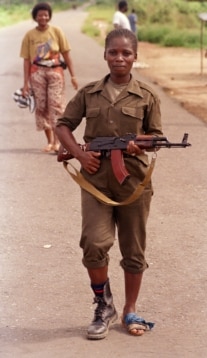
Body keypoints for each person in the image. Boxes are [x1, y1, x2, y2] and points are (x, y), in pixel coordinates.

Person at [55, 28, 163, 340]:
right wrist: (79, 154)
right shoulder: (88, 93)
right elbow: (63, 125)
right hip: (96, 182)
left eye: (126, 53)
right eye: (113, 52)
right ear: (105, 55)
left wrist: (138, 146)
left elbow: (156, 137)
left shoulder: (148, 96)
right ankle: (103, 304)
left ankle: (130, 309)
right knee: (93, 243)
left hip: (134, 184)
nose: (119, 58)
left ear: (135, 58)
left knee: (133, 249)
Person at [20, 2, 78, 153]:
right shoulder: (29, 35)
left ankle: (58, 142)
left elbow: (66, 54)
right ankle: (50, 141)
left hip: (55, 73)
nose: (43, 17)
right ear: (35, 17)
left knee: (56, 106)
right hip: (36, 73)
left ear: (49, 16)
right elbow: (26, 60)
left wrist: (73, 75)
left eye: (46, 15)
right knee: (42, 106)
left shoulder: (57, 31)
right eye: (40, 15)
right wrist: (25, 84)